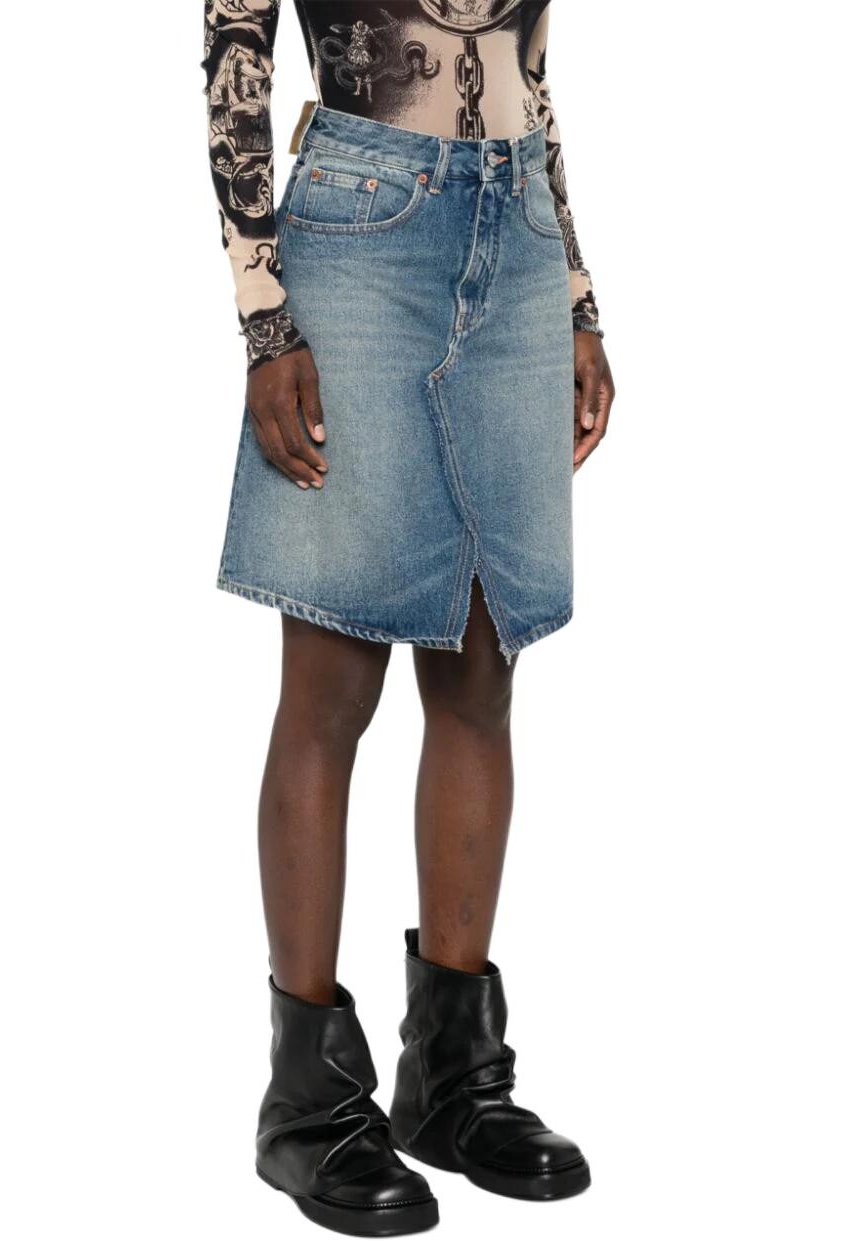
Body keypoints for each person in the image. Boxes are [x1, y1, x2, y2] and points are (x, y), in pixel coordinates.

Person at [204, 2, 615, 1233]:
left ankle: (452, 1075)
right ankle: (307, 1103)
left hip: (516, 224)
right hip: (358, 225)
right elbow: (233, 68)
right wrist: (265, 317)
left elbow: (530, 70)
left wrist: (577, 296)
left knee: (483, 667)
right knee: (333, 674)